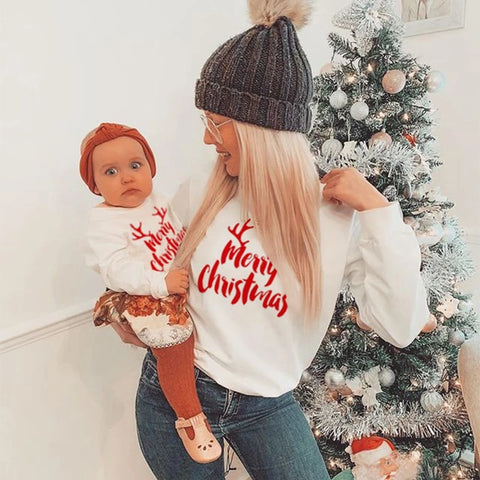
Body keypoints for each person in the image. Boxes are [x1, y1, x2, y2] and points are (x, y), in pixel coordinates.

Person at [116, 0, 430, 478]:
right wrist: (128, 308)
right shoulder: (202, 189)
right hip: (176, 397)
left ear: (260, 129)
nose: (207, 140)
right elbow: (150, 259)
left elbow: (400, 326)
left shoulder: (334, 216)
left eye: (215, 124)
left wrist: (380, 214)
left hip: (268, 405)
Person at [79, 122, 221, 463]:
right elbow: (116, 269)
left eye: (135, 165)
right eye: (111, 171)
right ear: (95, 184)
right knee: (174, 342)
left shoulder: (160, 201)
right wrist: (161, 283)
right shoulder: (103, 222)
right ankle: (190, 418)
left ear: (150, 168)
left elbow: (180, 231)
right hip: (142, 296)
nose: (127, 177)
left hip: (173, 287)